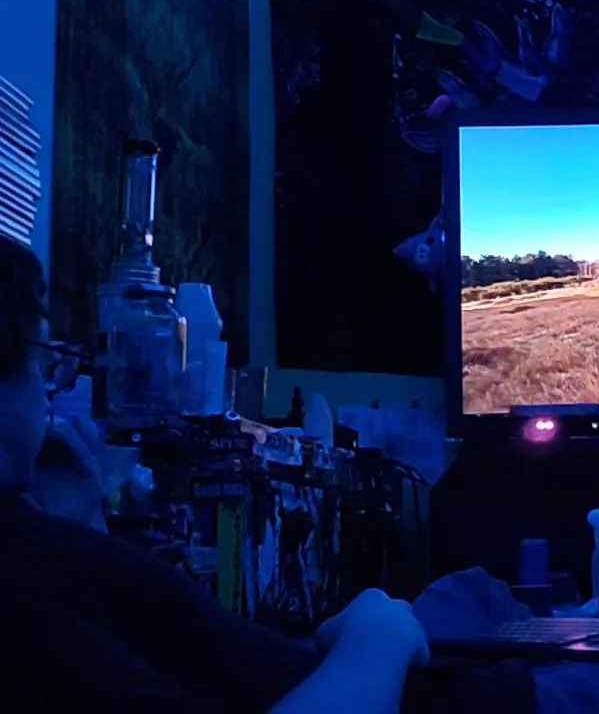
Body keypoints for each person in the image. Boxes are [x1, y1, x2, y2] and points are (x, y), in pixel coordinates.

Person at [0, 236, 525, 713]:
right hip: (462, 694)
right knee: (499, 614)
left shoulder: (36, 541)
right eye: (43, 359)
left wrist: (82, 521)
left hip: (367, 670)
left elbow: (126, 641)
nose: (49, 391)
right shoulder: (16, 584)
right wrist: (376, 637)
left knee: (474, 592)